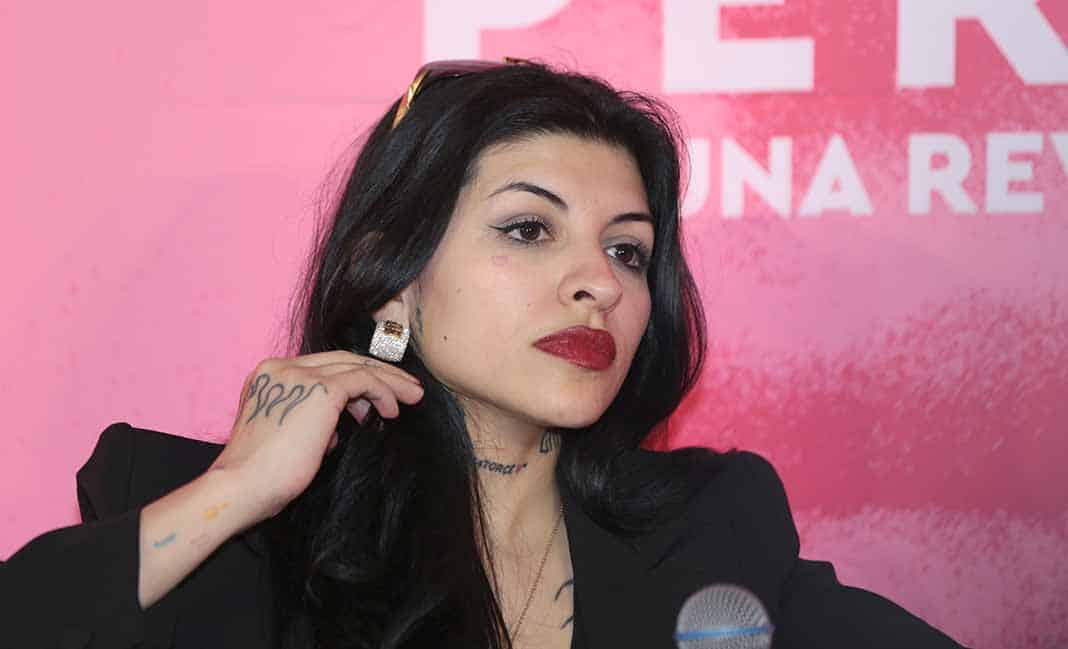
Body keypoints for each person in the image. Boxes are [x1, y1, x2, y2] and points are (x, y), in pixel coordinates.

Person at [0, 59, 968, 649]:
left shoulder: (710, 524)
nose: (599, 283)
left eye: (628, 250)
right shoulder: (226, 526)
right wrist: (239, 489)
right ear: (392, 275)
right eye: (528, 230)